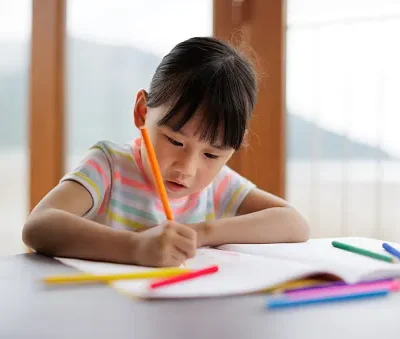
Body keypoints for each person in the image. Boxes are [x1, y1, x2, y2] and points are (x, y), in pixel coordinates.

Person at [23, 37, 309, 267]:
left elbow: (294, 224)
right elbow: (39, 225)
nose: (187, 168)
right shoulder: (109, 166)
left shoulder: (217, 185)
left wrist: (201, 233)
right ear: (142, 112)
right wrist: (135, 247)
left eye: (211, 155)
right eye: (174, 141)